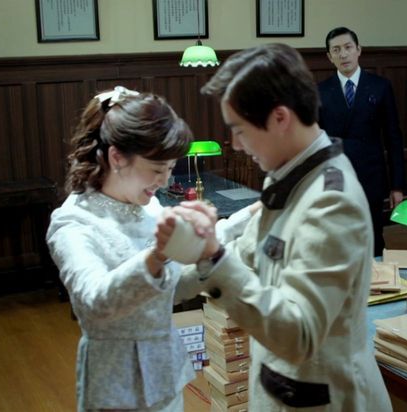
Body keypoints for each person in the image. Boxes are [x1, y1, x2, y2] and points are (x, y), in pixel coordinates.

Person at [158, 44, 392, 411]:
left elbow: (299, 335)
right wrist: (162, 287)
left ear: (280, 118)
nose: (236, 145)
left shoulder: (332, 202)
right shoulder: (287, 174)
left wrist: (213, 257)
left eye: (239, 130)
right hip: (280, 383)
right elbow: (247, 252)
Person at [46, 86, 258, 412]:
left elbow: (173, 283)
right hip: (116, 386)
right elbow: (94, 303)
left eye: (171, 169)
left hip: (165, 372)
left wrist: (249, 217)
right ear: (117, 157)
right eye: (158, 170)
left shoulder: (149, 206)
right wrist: (157, 254)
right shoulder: (74, 223)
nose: (164, 181)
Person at [318, 26, 406, 256]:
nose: (343, 54)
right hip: (335, 176)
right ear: (329, 57)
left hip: (371, 175)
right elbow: (314, 142)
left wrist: (397, 186)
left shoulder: (380, 86)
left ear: (358, 50)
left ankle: (377, 277)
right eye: (336, 50)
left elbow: (393, 137)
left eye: (348, 47)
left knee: (373, 236)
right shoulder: (320, 91)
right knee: (337, 237)